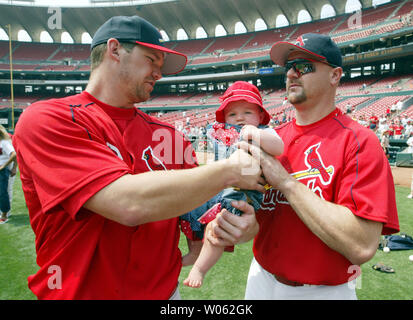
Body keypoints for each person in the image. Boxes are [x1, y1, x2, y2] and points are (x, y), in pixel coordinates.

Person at [12, 16, 263, 300]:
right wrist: (231, 170)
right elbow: (128, 204)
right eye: (151, 60)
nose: (159, 73)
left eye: (160, 66)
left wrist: (242, 226)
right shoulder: (48, 119)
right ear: (115, 49)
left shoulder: (170, 135)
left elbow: (205, 214)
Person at [237, 33, 399, 300]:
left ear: (335, 76)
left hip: (323, 291)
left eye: (303, 65)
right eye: (289, 66)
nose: (291, 73)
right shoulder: (272, 138)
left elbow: (361, 245)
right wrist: (237, 223)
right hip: (260, 278)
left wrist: (286, 183)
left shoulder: (359, 142)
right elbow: (256, 218)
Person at [181, 81, 284, 288]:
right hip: (218, 185)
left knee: (219, 225)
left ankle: (200, 268)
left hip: (241, 194)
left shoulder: (264, 131)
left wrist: (255, 134)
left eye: (247, 112)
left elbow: (279, 146)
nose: (240, 119)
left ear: (260, 117)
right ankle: (194, 251)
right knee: (187, 207)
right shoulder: (223, 134)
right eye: (233, 114)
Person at [0, 124, 16, 224]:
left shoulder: (5, 142)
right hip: (4, 168)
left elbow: (14, 154)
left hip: (4, 170)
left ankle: (5, 214)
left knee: (4, 192)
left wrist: (4, 165)